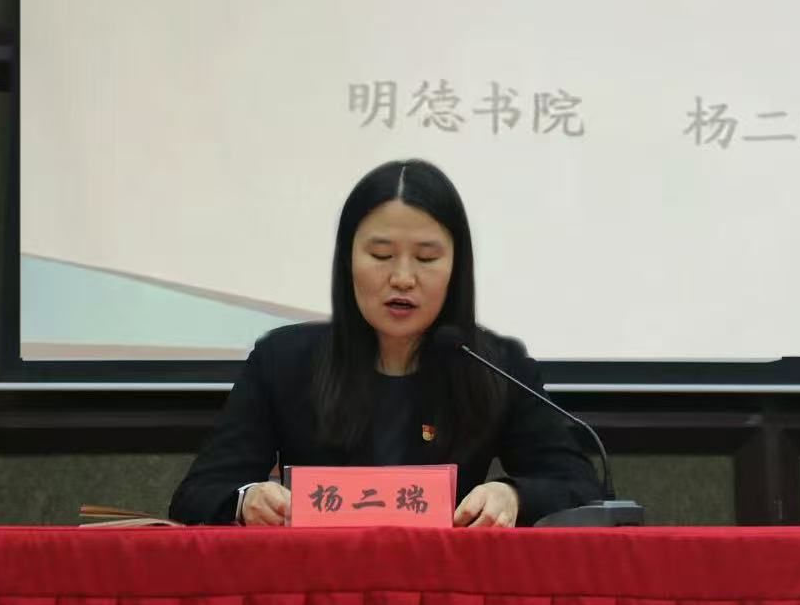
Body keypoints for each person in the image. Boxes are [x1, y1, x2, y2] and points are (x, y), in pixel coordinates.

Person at [169, 159, 600, 526]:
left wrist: (514, 495)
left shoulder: (496, 366)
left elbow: (583, 489)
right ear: (347, 260)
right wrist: (246, 500)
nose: (403, 278)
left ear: (456, 267)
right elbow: (197, 496)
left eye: (427, 258)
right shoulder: (283, 363)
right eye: (380, 255)